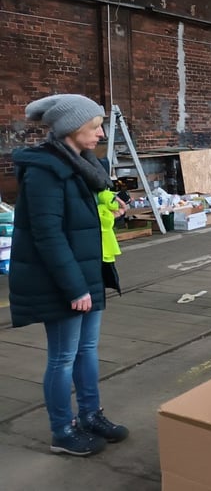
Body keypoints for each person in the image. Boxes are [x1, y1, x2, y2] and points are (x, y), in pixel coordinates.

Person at [9, 94, 129, 456]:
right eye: (95, 127)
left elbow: (81, 216)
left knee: (87, 349)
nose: (101, 133)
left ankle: (91, 414)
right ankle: (62, 430)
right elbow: (48, 235)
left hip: (86, 271)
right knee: (62, 357)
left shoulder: (81, 164)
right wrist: (75, 287)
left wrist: (108, 205)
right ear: (72, 129)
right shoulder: (45, 171)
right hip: (64, 282)